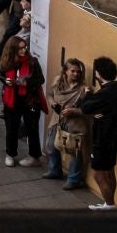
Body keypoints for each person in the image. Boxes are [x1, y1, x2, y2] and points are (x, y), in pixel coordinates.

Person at [73, 57, 117, 207]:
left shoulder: (105, 93)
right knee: (109, 171)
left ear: (98, 73)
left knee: (99, 174)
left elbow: (85, 108)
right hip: (113, 138)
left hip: (102, 140)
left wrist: (88, 93)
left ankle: (110, 205)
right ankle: (108, 204)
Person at [0, 37, 45, 166]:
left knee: (31, 128)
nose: (24, 50)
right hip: (12, 99)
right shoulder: (8, 61)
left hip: (30, 100)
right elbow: (1, 75)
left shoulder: (32, 62)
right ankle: (10, 154)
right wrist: (5, 81)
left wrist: (26, 82)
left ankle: (34, 156)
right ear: (13, 50)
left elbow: (40, 80)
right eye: (21, 48)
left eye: (25, 47)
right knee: (11, 128)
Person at [43, 58, 90, 189]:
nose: (76, 74)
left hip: (74, 124)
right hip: (57, 120)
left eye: (78, 72)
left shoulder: (83, 89)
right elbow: (49, 94)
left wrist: (76, 108)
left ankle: (73, 179)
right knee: (51, 146)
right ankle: (55, 170)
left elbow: (87, 108)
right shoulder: (58, 82)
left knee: (75, 151)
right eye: (73, 71)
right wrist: (52, 103)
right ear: (65, 71)